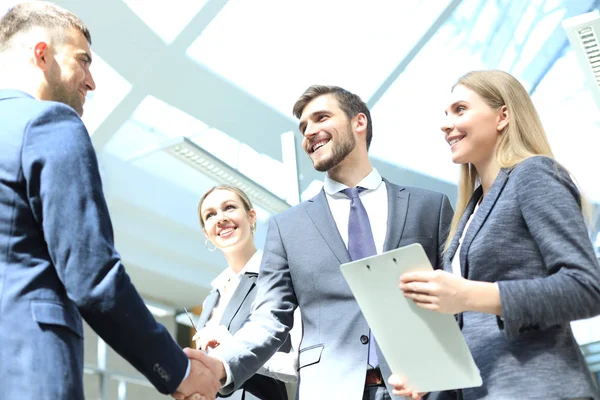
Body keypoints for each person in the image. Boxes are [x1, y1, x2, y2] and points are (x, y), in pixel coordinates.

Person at [0, 2, 218, 399]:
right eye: (82, 60)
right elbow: (92, 278)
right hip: (28, 372)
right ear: (41, 53)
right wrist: (180, 372)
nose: (92, 81)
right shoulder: (49, 122)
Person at [183, 85, 454, 400]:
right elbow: (269, 319)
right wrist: (220, 367)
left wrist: (447, 374)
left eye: (321, 118)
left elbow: (457, 304)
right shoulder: (287, 228)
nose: (309, 131)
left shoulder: (430, 207)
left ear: (359, 122)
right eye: (303, 127)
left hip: (422, 389)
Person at [395, 70, 600, 399]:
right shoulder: (469, 212)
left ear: (502, 116)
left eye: (460, 110)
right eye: (445, 114)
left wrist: (469, 295)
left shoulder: (533, 175)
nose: (445, 124)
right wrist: (432, 377)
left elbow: (588, 287)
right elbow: (473, 327)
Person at [192, 184, 302, 400]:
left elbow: (299, 364)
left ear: (252, 217)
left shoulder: (282, 278)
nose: (220, 218)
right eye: (211, 215)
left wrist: (233, 350)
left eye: (229, 208)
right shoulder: (212, 298)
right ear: (207, 233)